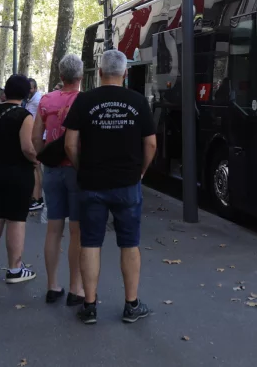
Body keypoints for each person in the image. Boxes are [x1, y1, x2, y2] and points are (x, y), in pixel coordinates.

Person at [64, 50, 157, 325]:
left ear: (100, 72)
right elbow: (151, 143)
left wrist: (81, 168)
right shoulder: (138, 101)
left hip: (92, 182)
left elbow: (69, 144)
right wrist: (141, 171)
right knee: (130, 243)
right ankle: (131, 305)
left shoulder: (84, 100)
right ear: (125, 73)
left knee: (90, 242)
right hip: (127, 183)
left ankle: (90, 306)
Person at [0, 75, 39, 283]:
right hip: (18, 173)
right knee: (16, 219)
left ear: (5, 92)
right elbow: (27, 147)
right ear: (26, 93)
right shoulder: (25, 116)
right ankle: (15, 269)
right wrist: (36, 161)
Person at [36, 55, 85, 306]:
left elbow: (36, 137)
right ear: (81, 76)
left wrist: (43, 158)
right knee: (77, 230)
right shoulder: (84, 100)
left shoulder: (46, 100)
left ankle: (52, 286)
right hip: (75, 169)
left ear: (61, 75)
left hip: (52, 169)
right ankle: (76, 288)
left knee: (54, 229)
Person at [25, 78, 46, 211]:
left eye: (30, 88)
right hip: (34, 136)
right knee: (35, 167)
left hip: (37, 138)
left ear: (35, 88)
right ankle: (36, 197)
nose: (28, 90)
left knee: (35, 166)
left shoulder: (38, 100)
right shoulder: (30, 100)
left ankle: (37, 198)